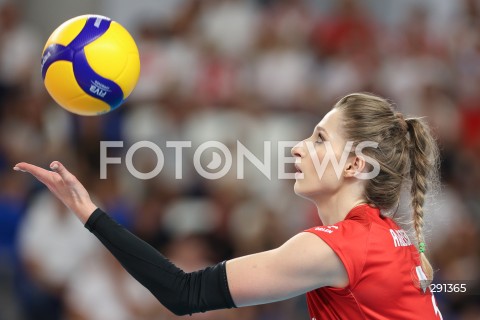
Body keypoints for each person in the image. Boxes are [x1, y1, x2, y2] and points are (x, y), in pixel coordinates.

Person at [14, 92, 444, 319]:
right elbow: (439, 291)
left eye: (317, 139)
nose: (297, 149)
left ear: (354, 163)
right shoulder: (394, 239)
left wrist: (90, 214)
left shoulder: (338, 247)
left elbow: (184, 293)